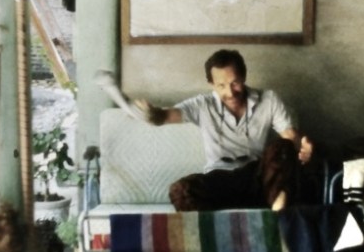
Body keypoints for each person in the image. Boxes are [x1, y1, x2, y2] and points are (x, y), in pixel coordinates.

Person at [134, 49, 313, 212]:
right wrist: (152, 114)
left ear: (243, 76)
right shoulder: (202, 105)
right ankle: (220, 222)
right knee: (181, 190)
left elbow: (290, 137)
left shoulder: (269, 99)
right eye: (221, 85)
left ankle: (276, 215)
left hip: (257, 179)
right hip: (220, 180)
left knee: (283, 146)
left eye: (235, 83)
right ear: (211, 84)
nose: (230, 92)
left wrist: (304, 148)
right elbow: (164, 116)